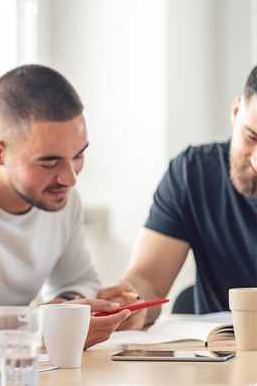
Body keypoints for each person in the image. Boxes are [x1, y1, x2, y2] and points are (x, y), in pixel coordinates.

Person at [0, 64, 131, 348]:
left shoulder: (60, 194)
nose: (70, 178)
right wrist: (46, 323)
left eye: (78, 155)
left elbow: (79, 280)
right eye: (49, 162)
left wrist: (63, 309)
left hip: (13, 361)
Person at [103, 65, 257, 329]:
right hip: (217, 358)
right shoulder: (192, 173)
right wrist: (128, 305)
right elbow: (147, 281)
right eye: (251, 136)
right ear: (235, 111)